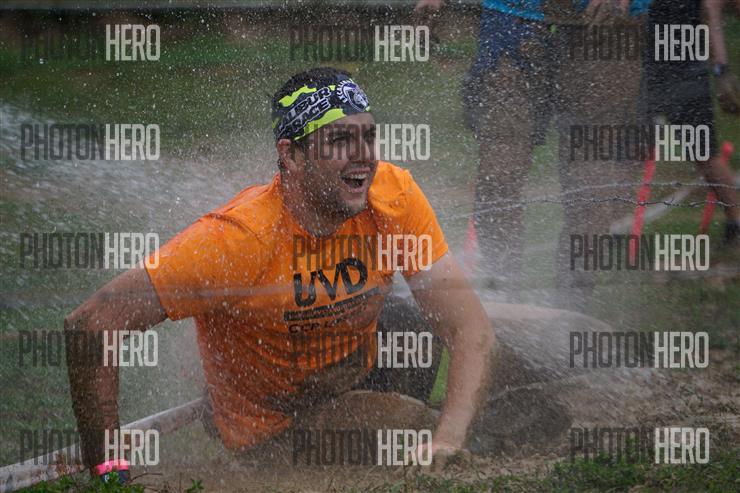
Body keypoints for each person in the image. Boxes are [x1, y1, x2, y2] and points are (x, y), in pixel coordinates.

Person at [64, 67, 496, 482]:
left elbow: (469, 327)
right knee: (420, 432)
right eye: (340, 140)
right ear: (292, 156)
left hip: (353, 371)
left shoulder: (392, 194)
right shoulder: (236, 240)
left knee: (420, 334)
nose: (364, 155)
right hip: (277, 425)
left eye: (368, 136)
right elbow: (93, 323)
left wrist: (449, 438)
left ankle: (420, 433)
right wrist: (108, 468)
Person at [416, 0, 650, 308]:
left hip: (603, 22)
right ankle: (502, 297)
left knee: (589, 184)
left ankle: (572, 308)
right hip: (513, 16)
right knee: (498, 175)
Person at [644, 0, 740, 244]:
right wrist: (721, 68)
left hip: (671, 72)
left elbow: (712, 9)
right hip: (671, 70)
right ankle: (736, 221)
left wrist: (721, 69)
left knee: (704, 152)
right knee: (704, 152)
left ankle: (736, 221)